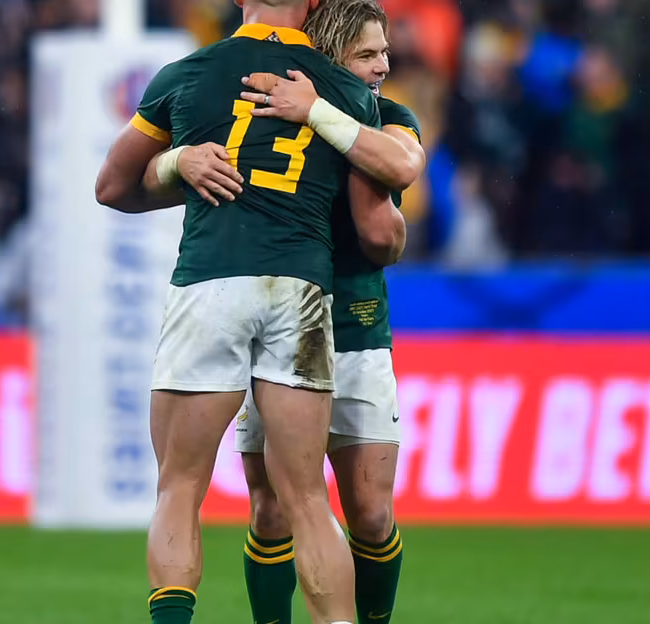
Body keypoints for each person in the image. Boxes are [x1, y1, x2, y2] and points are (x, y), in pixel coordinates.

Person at [93, 1, 408, 622]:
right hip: (302, 292)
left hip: (210, 282)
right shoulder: (347, 92)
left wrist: (177, 161)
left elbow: (111, 186)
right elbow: (379, 231)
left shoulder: (188, 74)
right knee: (307, 500)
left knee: (180, 486)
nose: (380, 65)